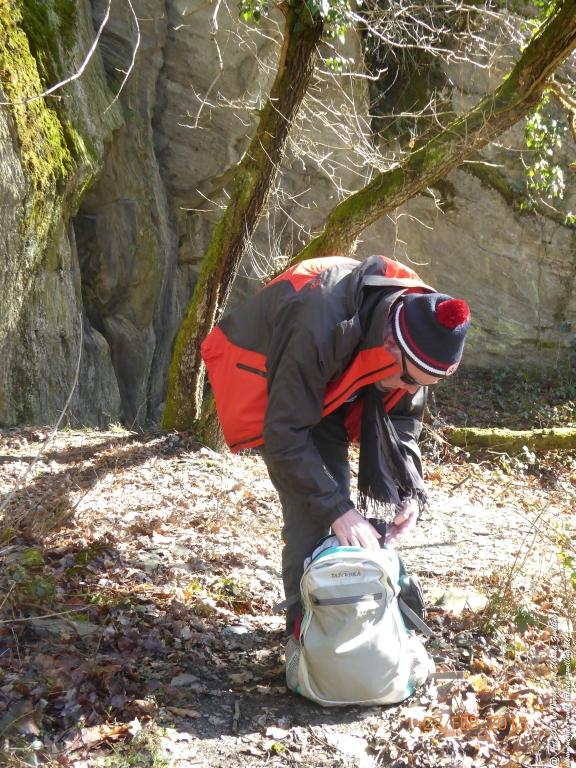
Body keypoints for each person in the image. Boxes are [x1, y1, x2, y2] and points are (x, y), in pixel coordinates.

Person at [201, 255, 471, 635]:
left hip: (340, 384)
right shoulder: (318, 322)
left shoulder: (422, 332)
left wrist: (409, 489)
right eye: (409, 379)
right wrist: (338, 510)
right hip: (278, 378)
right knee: (314, 515)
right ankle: (304, 637)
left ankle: (363, 631)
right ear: (390, 344)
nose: (411, 389)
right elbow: (285, 434)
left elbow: (403, 422)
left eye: (422, 384)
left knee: (374, 519)